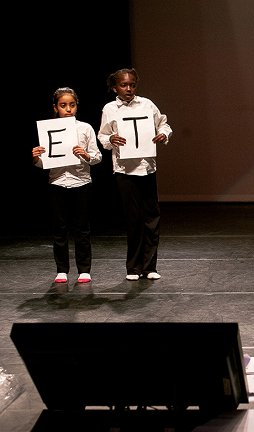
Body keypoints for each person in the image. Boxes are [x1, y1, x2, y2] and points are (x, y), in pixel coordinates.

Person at [98, 68, 172, 281]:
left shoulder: (147, 104)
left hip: (147, 167)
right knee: (133, 218)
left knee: (151, 218)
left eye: (132, 84)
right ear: (115, 87)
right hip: (124, 169)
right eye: (124, 85)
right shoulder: (110, 108)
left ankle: (149, 266)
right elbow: (102, 135)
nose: (129, 89)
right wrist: (111, 139)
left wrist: (162, 134)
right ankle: (133, 267)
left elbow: (164, 124)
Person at [32, 87, 102, 284]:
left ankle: (84, 269)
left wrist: (86, 155)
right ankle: (62, 269)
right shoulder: (48, 130)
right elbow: (44, 163)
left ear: (77, 106)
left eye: (72, 105)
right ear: (55, 108)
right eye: (63, 105)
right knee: (59, 228)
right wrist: (36, 158)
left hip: (81, 182)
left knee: (82, 229)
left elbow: (97, 157)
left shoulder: (85, 128)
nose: (68, 109)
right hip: (57, 182)